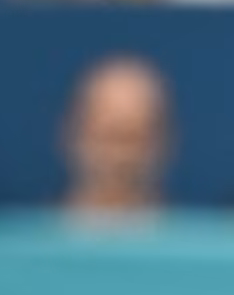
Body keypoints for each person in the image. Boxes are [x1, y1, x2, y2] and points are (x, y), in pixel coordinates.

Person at [60, 54, 170, 219]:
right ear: (72, 133)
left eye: (135, 138)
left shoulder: (195, 240)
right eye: (109, 137)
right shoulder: (31, 239)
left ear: (163, 141)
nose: (121, 157)